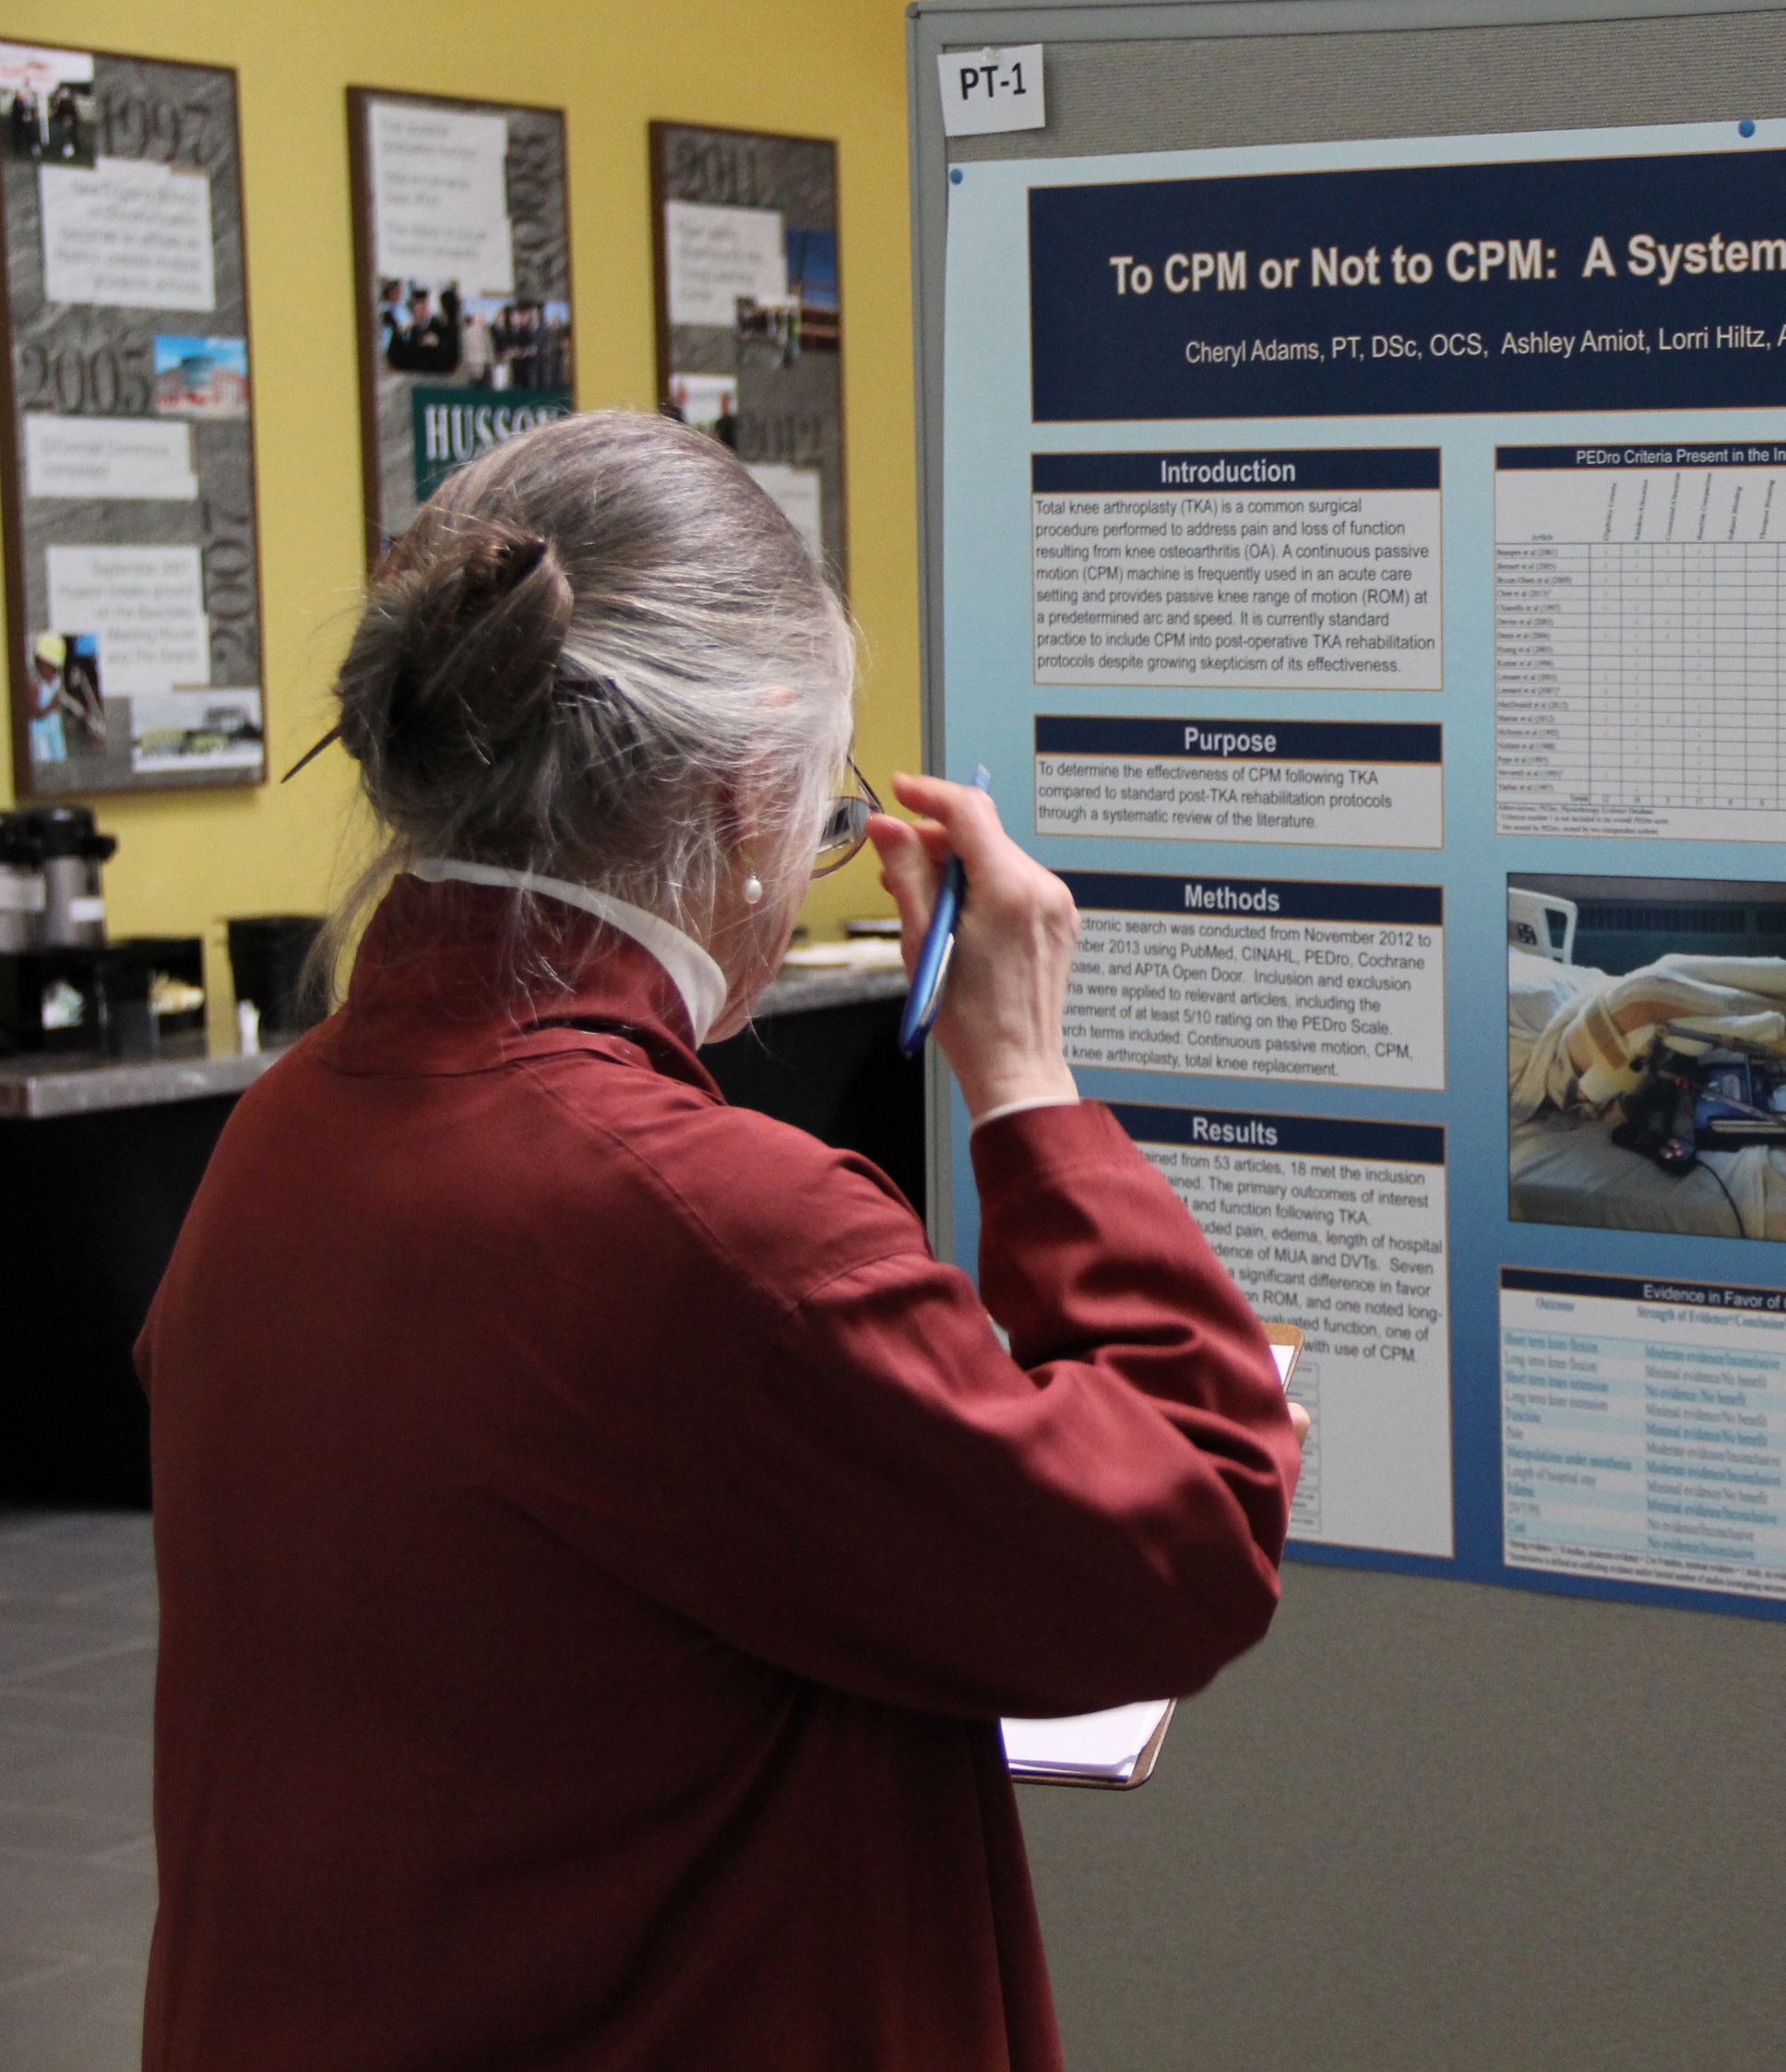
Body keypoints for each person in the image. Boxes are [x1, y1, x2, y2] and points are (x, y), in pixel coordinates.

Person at [136, 411, 1304, 2071]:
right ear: (751, 783)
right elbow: (1182, 1543)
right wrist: (1027, 1085)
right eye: (827, 811)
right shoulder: (719, 1223)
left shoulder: (284, 1133)